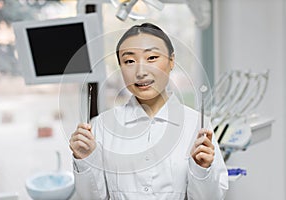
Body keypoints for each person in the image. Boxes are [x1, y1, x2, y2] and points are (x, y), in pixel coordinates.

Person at [69, 23, 229, 200]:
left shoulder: (197, 124)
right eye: (129, 61)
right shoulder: (101, 126)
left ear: (171, 61)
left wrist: (202, 170)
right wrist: (84, 160)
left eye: (152, 57)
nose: (141, 72)